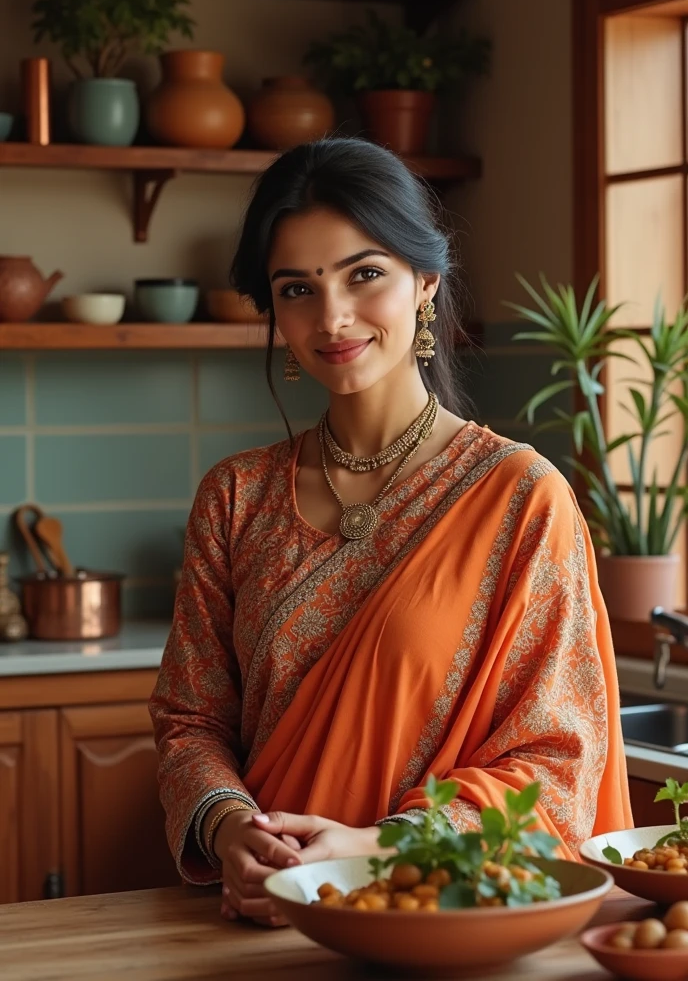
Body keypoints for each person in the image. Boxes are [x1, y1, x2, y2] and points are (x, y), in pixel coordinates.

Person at [149, 137, 632, 928]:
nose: (331, 316)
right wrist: (232, 827)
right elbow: (190, 720)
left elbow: (559, 760)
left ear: (426, 284)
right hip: (263, 918)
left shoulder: (520, 499)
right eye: (296, 288)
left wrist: (381, 848)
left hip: (439, 917)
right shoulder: (236, 497)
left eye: (364, 274)